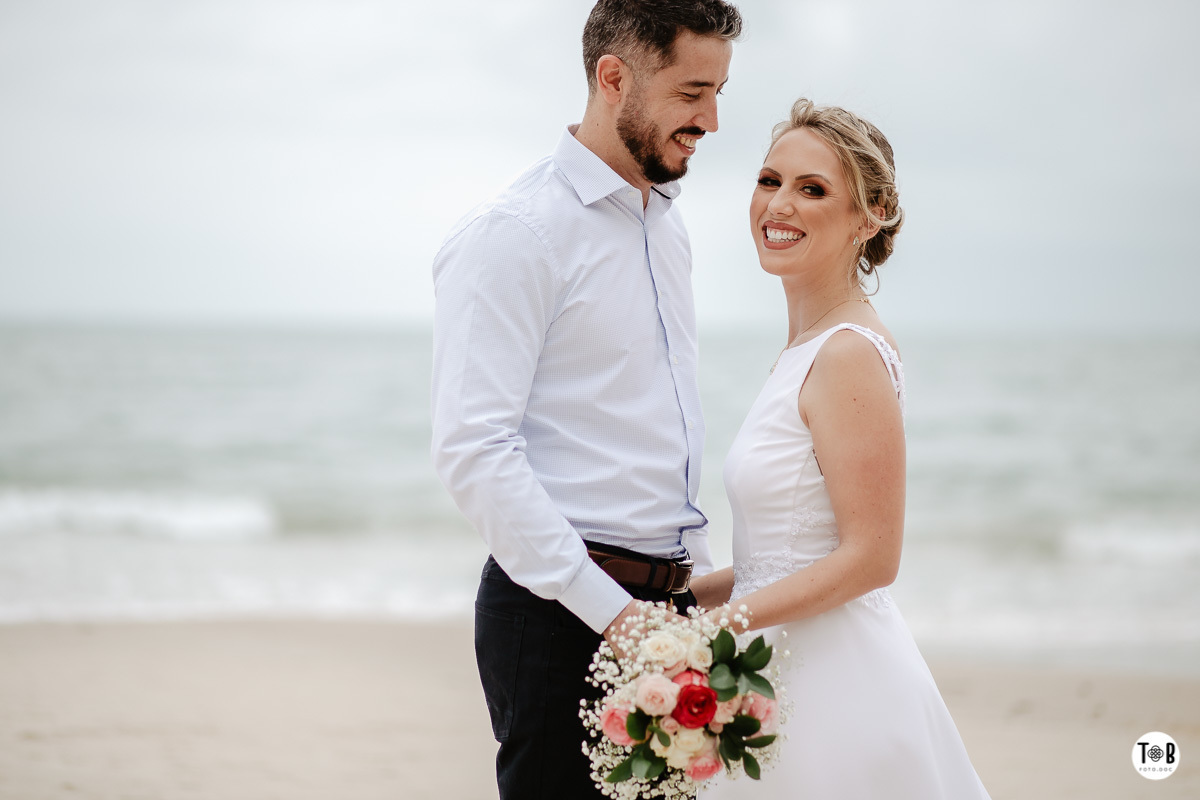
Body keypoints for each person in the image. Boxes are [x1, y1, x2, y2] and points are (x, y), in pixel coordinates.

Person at [430, 2, 742, 797]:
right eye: (691, 91)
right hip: (556, 616)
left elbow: (654, 436)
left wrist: (689, 596)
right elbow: (474, 452)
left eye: (719, 92)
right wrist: (611, 612)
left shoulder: (666, 227)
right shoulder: (514, 233)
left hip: (664, 613)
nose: (710, 117)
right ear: (614, 79)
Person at [691, 99, 991, 798]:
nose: (780, 205)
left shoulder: (848, 353)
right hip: (776, 664)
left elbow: (871, 557)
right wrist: (678, 601)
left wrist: (717, 627)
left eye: (812, 188)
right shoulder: (805, 351)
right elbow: (785, 554)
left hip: (835, 687)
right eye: (770, 180)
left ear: (871, 215)